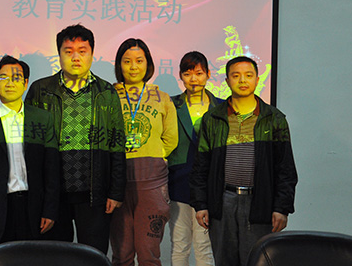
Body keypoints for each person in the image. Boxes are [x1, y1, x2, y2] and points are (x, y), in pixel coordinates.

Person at [25, 24, 126, 254]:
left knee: (92, 255)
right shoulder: (40, 90)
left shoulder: (106, 92)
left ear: (92, 54)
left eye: (82, 51)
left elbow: (117, 142)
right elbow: (30, 146)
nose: (75, 57)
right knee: (54, 255)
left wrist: (116, 191)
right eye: (68, 51)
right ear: (59, 54)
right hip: (52, 192)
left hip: (94, 191)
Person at [190, 56, 298, 266]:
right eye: (236, 75)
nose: (242, 80)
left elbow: (285, 168)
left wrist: (281, 208)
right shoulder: (212, 119)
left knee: (257, 261)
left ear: (257, 79)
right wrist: (200, 204)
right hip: (223, 201)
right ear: (227, 81)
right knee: (224, 261)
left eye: (248, 75)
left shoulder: (274, 119)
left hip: (260, 202)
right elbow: (201, 166)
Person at [0, 55, 60, 252]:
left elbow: (52, 170)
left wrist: (50, 210)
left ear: (25, 83)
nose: (10, 83)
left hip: (34, 209)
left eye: (16, 77)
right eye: (3, 77)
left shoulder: (43, 119)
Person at [109, 38, 178, 266]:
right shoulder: (108, 96)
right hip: (117, 184)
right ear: (119, 65)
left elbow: (171, 139)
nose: (133, 66)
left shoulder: (162, 98)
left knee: (149, 255)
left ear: (148, 64)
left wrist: (153, 156)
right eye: (127, 61)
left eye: (139, 60)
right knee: (121, 254)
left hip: (152, 183)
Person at [168, 51, 222, 266]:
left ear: (208, 74)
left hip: (210, 185)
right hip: (178, 182)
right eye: (188, 74)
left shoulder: (221, 107)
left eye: (199, 73)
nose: (194, 79)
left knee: (204, 247)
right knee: (179, 245)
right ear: (181, 76)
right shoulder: (171, 105)